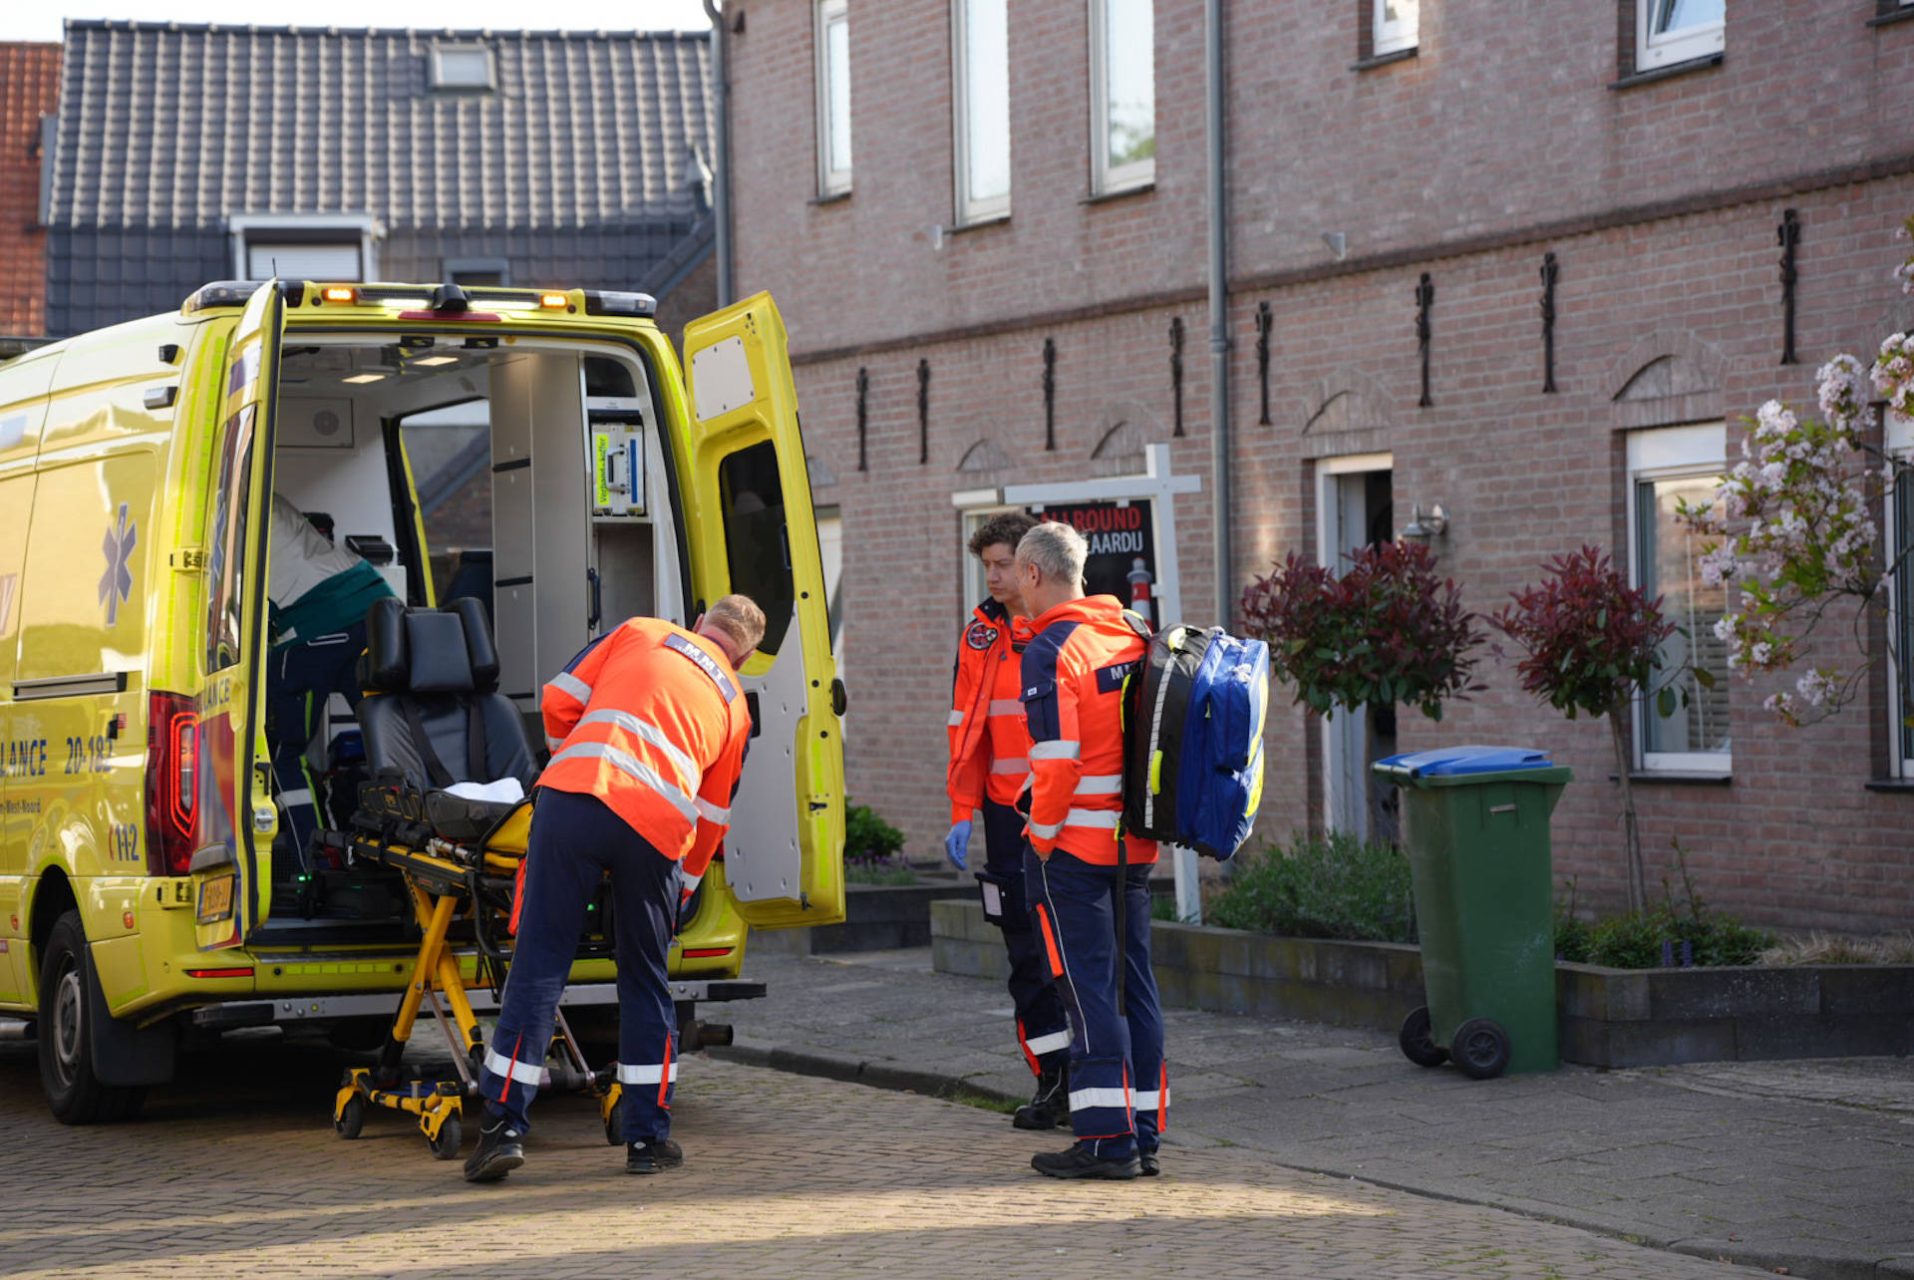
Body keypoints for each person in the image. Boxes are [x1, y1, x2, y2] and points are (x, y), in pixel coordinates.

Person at [464, 595, 764, 1184]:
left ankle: (504, 1129)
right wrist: (685, 888)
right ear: (744, 657)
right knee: (645, 978)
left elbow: (559, 699)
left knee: (541, 965)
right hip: (654, 831)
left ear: (699, 623)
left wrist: (568, 761)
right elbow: (709, 817)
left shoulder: (642, 631)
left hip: (575, 799)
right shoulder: (735, 705)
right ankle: (647, 1140)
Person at [1015, 521, 1165, 1181]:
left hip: (1075, 849)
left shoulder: (1053, 647)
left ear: (1033, 575)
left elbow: (1056, 763)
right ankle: (1144, 1128)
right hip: (1137, 845)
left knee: (1087, 991)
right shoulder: (1133, 631)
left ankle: (1105, 1141)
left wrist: (1039, 839)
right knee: (1136, 986)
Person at [945, 511, 1072, 1130]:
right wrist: (961, 811)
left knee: (1069, 952)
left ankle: (1093, 1079)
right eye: (986, 566)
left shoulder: (1062, 633)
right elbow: (966, 732)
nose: (992, 577)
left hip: (1064, 814)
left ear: (1032, 567)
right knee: (1022, 950)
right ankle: (1052, 1081)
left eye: (1002, 565)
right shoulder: (979, 635)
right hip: (1002, 815)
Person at [265, 494, 396, 859]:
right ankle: (413, 849)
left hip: (313, 626)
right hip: (374, 605)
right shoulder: (266, 494)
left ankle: (313, 861)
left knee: (284, 754)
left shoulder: (215, 496)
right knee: (393, 739)